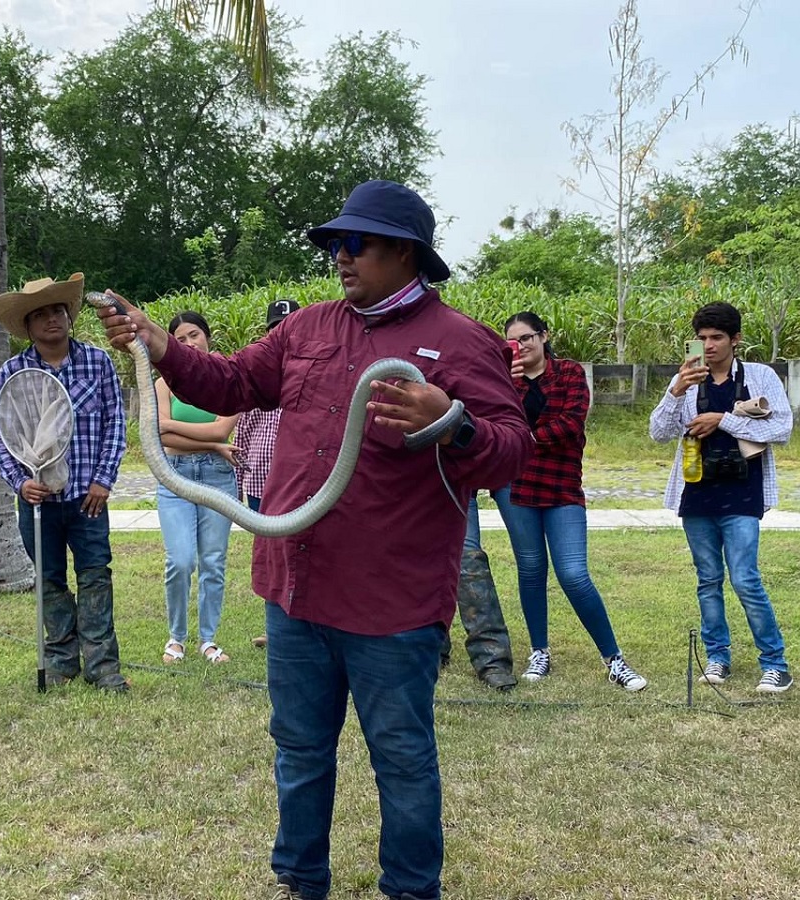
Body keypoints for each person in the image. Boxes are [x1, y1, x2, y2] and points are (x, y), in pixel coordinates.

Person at [97, 180, 532, 900]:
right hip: (294, 589)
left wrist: (448, 419)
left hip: (392, 603)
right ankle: (300, 881)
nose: (340, 256)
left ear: (405, 252)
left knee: (401, 757)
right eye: (335, 243)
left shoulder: (461, 342)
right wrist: (157, 343)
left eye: (355, 243)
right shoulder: (307, 329)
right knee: (299, 750)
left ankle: (411, 889)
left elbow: (512, 451)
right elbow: (233, 382)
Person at [491, 312, 649, 692]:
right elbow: (496, 422)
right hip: (516, 487)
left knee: (574, 574)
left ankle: (614, 659)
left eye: (527, 337)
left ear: (544, 336)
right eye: (513, 341)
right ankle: (539, 651)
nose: (521, 346)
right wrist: (511, 388)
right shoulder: (504, 381)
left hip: (561, 486)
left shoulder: (570, 373)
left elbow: (569, 424)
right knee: (530, 570)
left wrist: (522, 438)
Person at [0, 273, 130, 692]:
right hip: (38, 500)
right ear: (28, 326)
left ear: (69, 316)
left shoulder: (97, 362)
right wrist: (19, 482)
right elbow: (1, 434)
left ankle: (103, 666)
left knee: (94, 575)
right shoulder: (13, 372)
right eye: (41, 314)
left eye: (58, 311)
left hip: (88, 497)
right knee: (49, 579)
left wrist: (103, 481)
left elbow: (115, 425)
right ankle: (61, 659)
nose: (52, 319)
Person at [649, 301, 794, 693]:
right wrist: (675, 391)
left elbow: (782, 426)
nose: (708, 346)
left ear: (736, 339)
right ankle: (717, 656)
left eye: (716, 338)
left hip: (743, 491)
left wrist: (723, 420)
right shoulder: (688, 381)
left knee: (746, 578)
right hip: (696, 493)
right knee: (708, 579)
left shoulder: (759, 376)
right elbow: (658, 432)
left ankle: (775, 663)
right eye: (701, 339)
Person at [155, 311, 241, 666]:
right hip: (174, 475)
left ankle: (208, 639)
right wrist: (212, 442)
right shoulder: (163, 382)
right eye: (181, 339)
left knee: (213, 562)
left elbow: (222, 431)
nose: (189, 343)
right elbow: (159, 432)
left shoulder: (229, 378)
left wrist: (180, 429)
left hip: (219, 477)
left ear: (208, 336)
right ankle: (176, 637)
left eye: (195, 335)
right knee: (180, 560)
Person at [236, 298, 299, 649]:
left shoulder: (316, 379)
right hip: (262, 481)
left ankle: (299, 625)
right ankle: (275, 627)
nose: (283, 336)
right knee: (271, 558)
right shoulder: (261, 381)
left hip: (304, 486)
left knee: (301, 553)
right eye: (276, 329)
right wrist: (238, 485)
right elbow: (243, 433)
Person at [439, 492, 519, 690]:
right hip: (403, 489)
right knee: (417, 561)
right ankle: (430, 649)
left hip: (453, 486)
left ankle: (492, 658)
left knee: (469, 561)